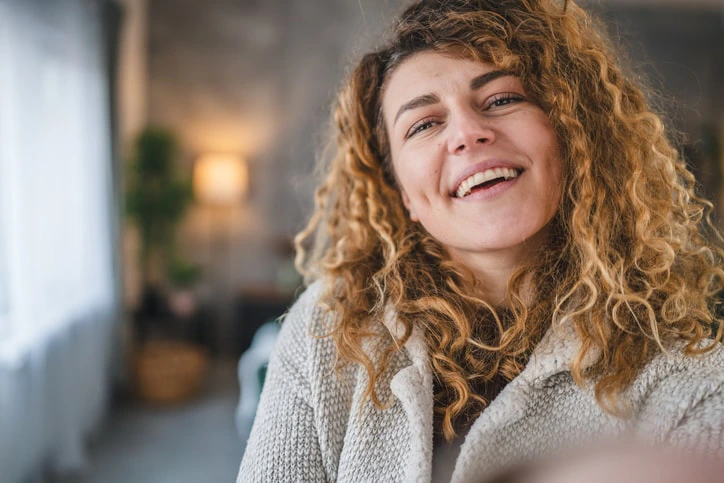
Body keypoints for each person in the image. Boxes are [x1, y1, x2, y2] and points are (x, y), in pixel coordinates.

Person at [237, 0, 724, 481]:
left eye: (502, 100)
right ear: (402, 192)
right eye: (425, 124)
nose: (468, 133)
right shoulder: (331, 325)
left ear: (571, 134)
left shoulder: (689, 373)